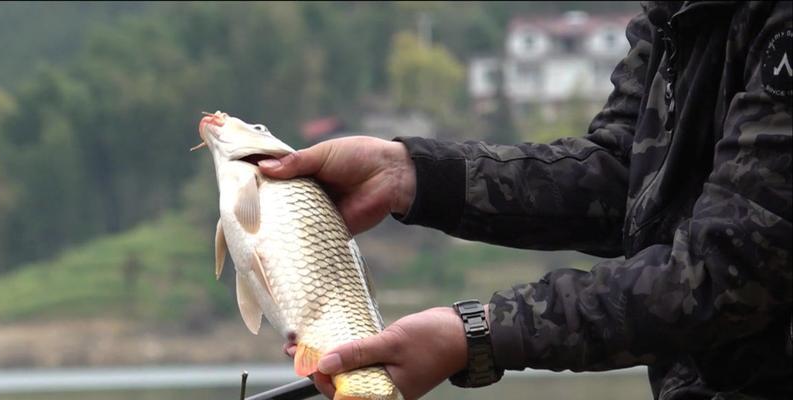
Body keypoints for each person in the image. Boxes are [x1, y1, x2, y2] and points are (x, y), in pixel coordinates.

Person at [259, 1, 792, 399]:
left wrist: (481, 333)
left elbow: (728, 270)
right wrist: (412, 174)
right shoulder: (676, 15)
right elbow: (623, 174)